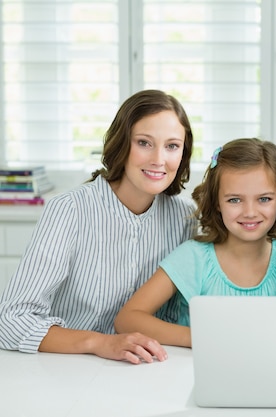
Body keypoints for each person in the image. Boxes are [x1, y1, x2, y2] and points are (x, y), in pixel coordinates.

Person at [0, 89, 197, 364]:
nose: (158, 159)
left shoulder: (186, 219)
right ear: (121, 144)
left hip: (153, 369)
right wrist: (99, 343)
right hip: (69, 369)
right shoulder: (69, 210)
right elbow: (10, 321)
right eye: (144, 142)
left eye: (172, 146)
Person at [114, 138, 276, 348]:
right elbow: (127, 319)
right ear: (217, 202)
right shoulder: (193, 257)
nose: (250, 212)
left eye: (264, 199)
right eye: (234, 200)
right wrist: (202, 337)